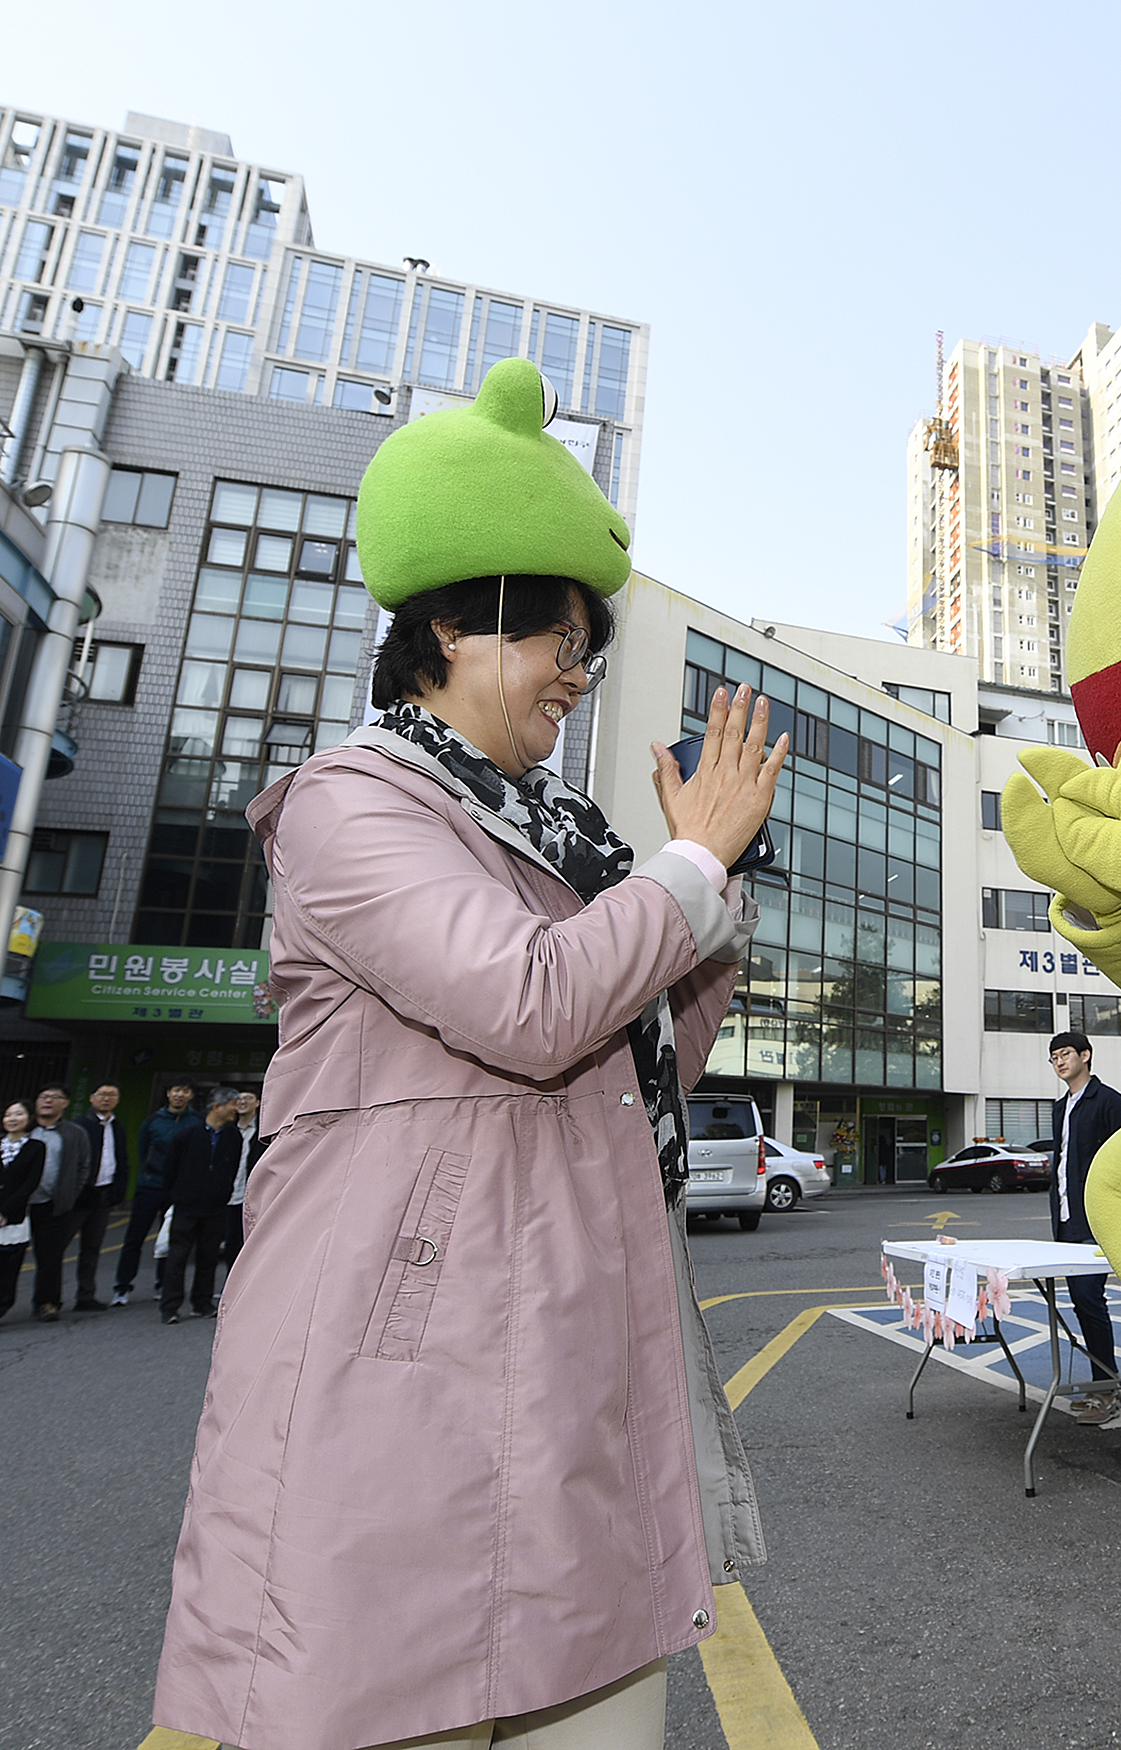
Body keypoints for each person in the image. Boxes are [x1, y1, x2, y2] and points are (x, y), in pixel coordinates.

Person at [153, 355, 783, 1750]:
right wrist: (686, 866)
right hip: (404, 1392)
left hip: (568, 1375)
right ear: (451, 623)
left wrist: (709, 909)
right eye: (559, 639)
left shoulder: (561, 841)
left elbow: (638, 1058)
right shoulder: (347, 803)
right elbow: (528, 1000)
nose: (576, 676)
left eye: (587, 652)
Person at [1047, 1030, 1121, 1425]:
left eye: (1065, 1054)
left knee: (1090, 1299)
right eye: (1053, 1058)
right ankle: (1103, 1383)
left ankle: (1107, 1388)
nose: (1059, 1062)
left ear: (1085, 1055)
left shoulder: (1110, 1102)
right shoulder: (1060, 1106)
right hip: (1066, 1220)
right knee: (1082, 1303)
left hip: (1096, 1221)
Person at [158, 1087, 243, 1324]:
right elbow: (170, 1168)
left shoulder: (232, 1136)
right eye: (232, 1105)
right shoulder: (187, 1134)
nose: (236, 1110)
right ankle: (170, 1306)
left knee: (209, 1257)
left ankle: (202, 1302)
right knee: (177, 1257)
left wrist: (223, 1191)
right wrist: (176, 1195)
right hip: (186, 1205)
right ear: (217, 1106)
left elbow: (232, 1167)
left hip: (216, 1207)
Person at [116, 1080, 198, 1306]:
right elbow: (143, 1151)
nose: (179, 1095)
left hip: (178, 1189)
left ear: (190, 1095)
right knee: (134, 1238)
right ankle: (122, 1287)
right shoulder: (153, 1121)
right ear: (168, 1094)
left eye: (184, 1090)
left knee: (170, 1240)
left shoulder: (195, 1122)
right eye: (175, 1090)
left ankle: (163, 1285)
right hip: (150, 1186)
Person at [24, 1081, 95, 1322]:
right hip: (17, 1206)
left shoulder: (75, 1134)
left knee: (50, 1258)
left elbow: (83, 1167)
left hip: (53, 1205)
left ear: (65, 1103)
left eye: (54, 1097)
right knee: (8, 1257)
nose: (47, 1100)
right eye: (43, 1096)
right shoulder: (24, 1129)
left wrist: (68, 1195)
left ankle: (46, 1302)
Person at [68, 1080, 132, 1312]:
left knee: (92, 1248)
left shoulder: (117, 1127)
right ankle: (47, 1299)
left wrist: (118, 1190)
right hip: (79, 1196)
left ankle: (86, 1295)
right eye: (102, 1094)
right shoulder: (79, 1126)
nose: (106, 1099)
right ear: (91, 1098)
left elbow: (121, 1159)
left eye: (112, 1095)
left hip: (104, 1195)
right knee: (58, 1247)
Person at [0, 1102, 44, 1322]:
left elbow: (30, 1184)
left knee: (8, 1267)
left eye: (18, 1114)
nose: (12, 1118)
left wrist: (4, 1211)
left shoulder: (36, 1147)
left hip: (15, 1216)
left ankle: (3, 1304)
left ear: (29, 1118)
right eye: (8, 1114)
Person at [221, 1090, 265, 1273]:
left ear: (257, 1103)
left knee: (251, 1240)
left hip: (251, 1195)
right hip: (228, 1194)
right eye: (239, 1099)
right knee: (230, 1240)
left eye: (248, 1098)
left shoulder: (263, 1133)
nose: (242, 1102)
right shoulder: (226, 1130)